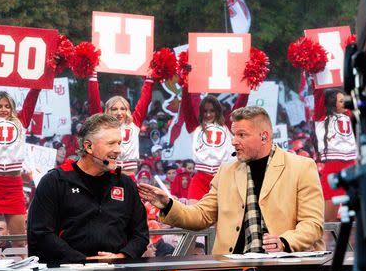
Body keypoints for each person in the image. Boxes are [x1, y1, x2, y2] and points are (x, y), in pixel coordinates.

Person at [138, 106, 324, 254]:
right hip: (234, 270)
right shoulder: (226, 171)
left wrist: (285, 242)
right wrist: (168, 205)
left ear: (264, 136)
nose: (234, 141)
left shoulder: (301, 167)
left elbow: (313, 225)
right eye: (234, 134)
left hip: (282, 269)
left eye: (241, 135)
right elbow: (202, 216)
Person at [27, 114, 149, 263]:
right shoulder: (55, 181)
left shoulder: (126, 184)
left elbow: (140, 234)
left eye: (119, 143)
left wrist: (122, 256)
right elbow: (41, 233)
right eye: (111, 144)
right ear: (88, 146)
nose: (119, 150)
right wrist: (84, 261)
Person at [0, 86, 42, 243]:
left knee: (19, 240)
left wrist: (39, 83)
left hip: (13, 186)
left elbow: (30, 102)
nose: (3, 109)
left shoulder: (21, 123)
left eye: (7, 106)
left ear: (13, 108)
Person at [88, 73, 156, 176]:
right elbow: (94, 102)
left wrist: (149, 80)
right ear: (107, 111)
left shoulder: (134, 123)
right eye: (114, 109)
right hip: (107, 174)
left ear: (127, 110)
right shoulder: (102, 124)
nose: (119, 113)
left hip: (129, 174)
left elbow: (144, 101)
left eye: (122, 109)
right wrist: (92, 78)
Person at [180, 91, 234, 203]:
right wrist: (185, 85)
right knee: (193, 216)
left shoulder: (228, 126)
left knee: (223, 219)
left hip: (222, 178)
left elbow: (240, 105)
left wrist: (246, 91)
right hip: (200, 178)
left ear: (218, 111)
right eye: (205, 111)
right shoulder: (195, 127)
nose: (208, 114)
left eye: (212, 111)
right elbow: (186, 107)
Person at [313, 88, 357, 221]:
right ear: (332, 103)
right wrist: (316, 74)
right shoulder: (322, 116)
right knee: (328, 219)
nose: (345, 103)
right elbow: (318, 95)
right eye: (341, 101)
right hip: (333, 165)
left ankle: (355, 241)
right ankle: (325, 240)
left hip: (352, 164)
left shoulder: (350, 114)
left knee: (358, 211)